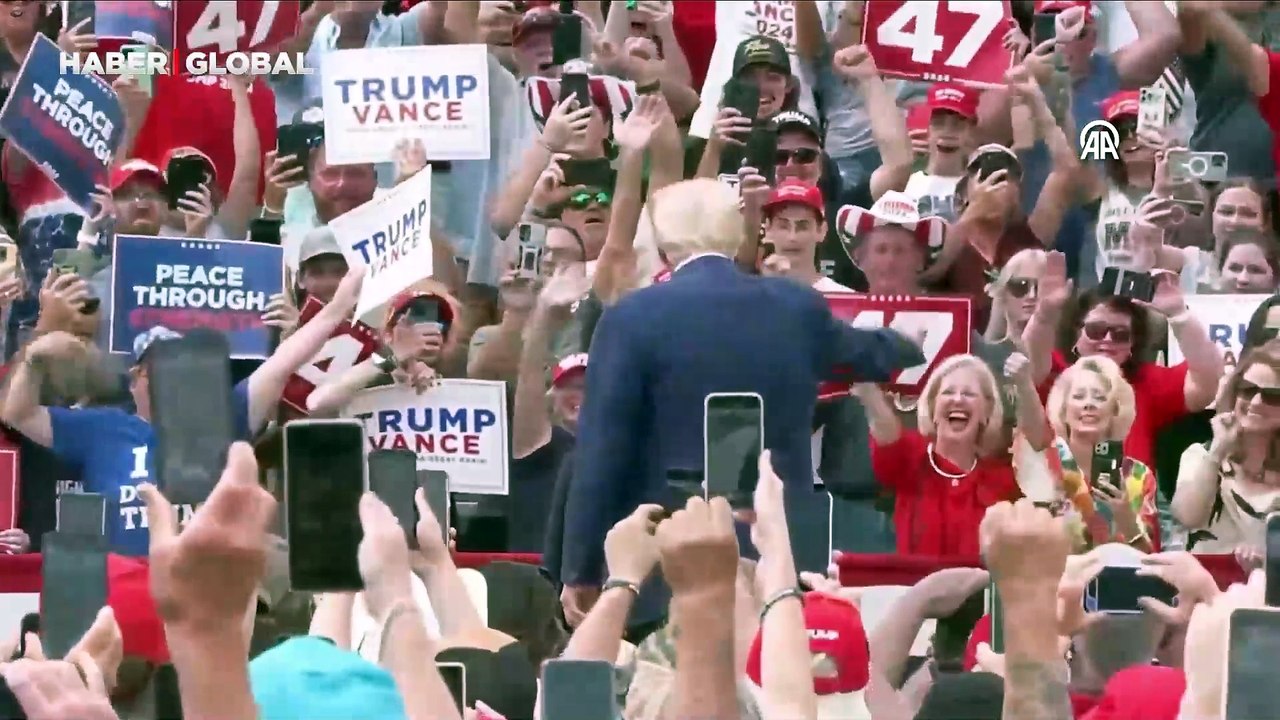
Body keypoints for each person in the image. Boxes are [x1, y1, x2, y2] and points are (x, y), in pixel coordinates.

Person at [560, 178, 924, 630]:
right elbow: (874, 353)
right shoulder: (794, 305)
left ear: (665, 247)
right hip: (774, 550)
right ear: (735, 234)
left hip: (668, 558)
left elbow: (600, 453)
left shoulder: (631, 317)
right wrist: (915, 340)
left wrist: (580, 567)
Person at [859, 354, 1023, 556]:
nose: (958, 399)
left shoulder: (1003, 481)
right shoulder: (911, 460)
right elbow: (886, 431)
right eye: (948, 392)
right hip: (916, 586)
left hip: (979, 586)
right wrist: (868, 390)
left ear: (986, 412)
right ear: (932, 407)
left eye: (969, 394)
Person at [1173, 342, 1280, 552]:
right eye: (1248, 390)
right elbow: (1187, 517)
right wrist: (1218, 451)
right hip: (1203, 581)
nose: (1256, 402)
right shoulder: (1200, 454)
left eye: (1272, 395)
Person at [1045, 356, 1159, 551]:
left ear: (1115, 410)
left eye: (1099, 397)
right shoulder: (1045, 467)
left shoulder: (1139, 476)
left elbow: (1150, 562)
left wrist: (1127, 519)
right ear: (1063, 410)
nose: (1089, 404)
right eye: (1079, 396)